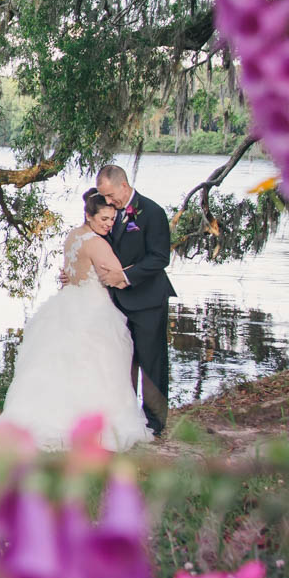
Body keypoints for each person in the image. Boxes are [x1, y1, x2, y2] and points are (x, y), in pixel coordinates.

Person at [0, 189, 152, 452]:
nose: (108, 224)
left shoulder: (73, 236)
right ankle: (90, 423)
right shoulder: (98, 243)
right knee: (97, 366)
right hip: (93, 308)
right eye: (104, 219)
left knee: (63, 366)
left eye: (112, 220)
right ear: (89, 215)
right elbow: (115, 276)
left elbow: (76, 268)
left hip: (68, 301)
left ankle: (54, 416)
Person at [94, 163, 176, 436]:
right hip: (117, 302)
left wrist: (125, 276)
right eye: (103, 197)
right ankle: (125, 417)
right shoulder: (108, 214)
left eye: (109, 195)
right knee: (122, 360)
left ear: (124, 186)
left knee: (151, 362)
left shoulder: (152, 213)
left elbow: (159, 258)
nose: (107, 202)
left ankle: (155, 422)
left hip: (148, 299)